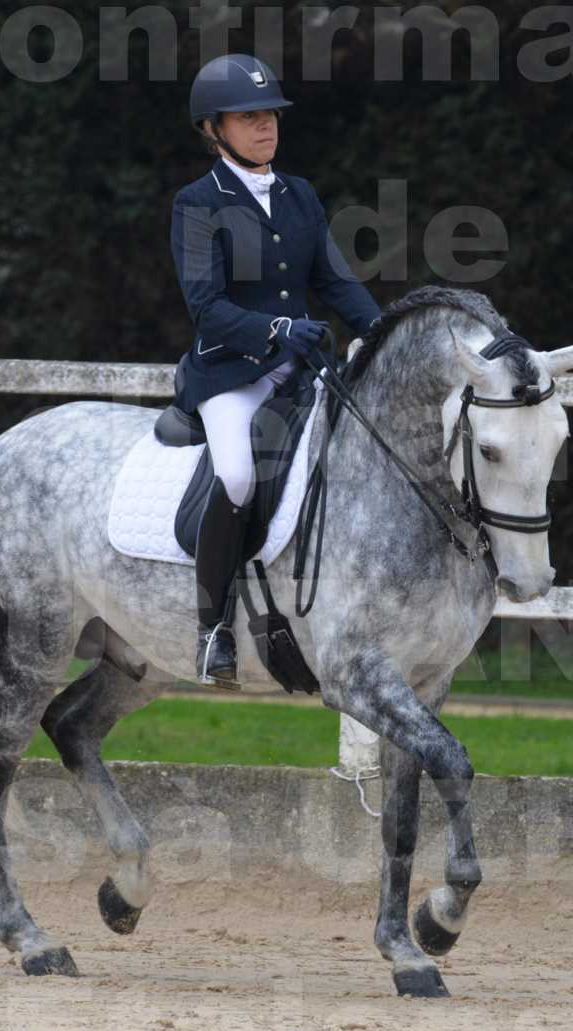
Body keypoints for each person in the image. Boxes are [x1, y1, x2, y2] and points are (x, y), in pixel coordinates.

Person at [170, 53, 382, 688]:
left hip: (297, 372)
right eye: (249, 117)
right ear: (215, 128)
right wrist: (280, 329)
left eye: (271, 114)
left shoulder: (300, 194)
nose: (266, 126)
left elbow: (335, 282)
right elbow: (207, 308)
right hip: (228, 376)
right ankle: (214, 631)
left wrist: (382, 333)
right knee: (236, 476)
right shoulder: (197, 203)